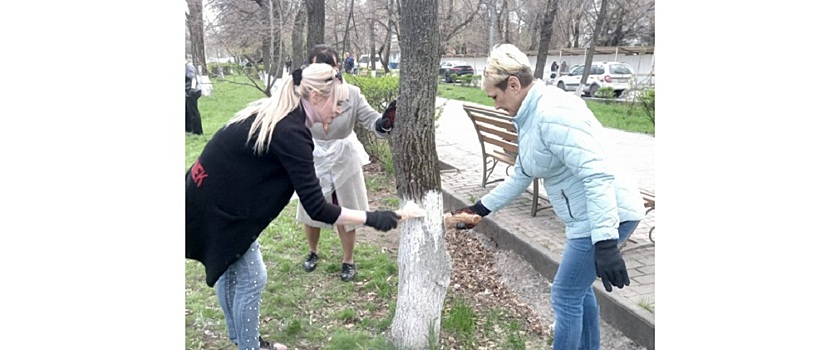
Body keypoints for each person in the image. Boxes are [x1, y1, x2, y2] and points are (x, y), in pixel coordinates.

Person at [186, 63, 401, 350]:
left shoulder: (278, 111)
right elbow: (318, 208)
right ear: (315, 97)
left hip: (201, 196)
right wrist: (373, 217)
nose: (339, 111)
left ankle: (241, 341)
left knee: (231, 268)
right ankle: (248, 347)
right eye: (337, 103)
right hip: (217, 209)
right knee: (252, 278)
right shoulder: (292, 132)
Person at [447, 44, 644, 350]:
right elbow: (522, 173)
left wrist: (605, 242)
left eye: (495, 97)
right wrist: (479, 209)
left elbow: (597, 175)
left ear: (513, 84)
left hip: (607, 213)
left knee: (565, 294)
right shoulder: (531, 115)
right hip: (587, 215)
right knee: (579, 292)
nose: (496, 105)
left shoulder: (551, 114)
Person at [295, 44, 397, 282]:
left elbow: (371, 118)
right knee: (312, 208)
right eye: (317, 65)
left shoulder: (351, 93)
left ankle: (348, 260)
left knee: (346, 210)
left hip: (344, 158)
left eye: (329, 64)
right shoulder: (303, 95)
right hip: (313, 156)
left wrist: (382, 124)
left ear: (337, 66)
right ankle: (312, 252)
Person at [186, 59, 203, 135]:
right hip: (187, 92)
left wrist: (192, 89)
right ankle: (188, 129)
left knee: (193, 112)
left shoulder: (189, 67)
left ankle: (197, 131)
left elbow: (193, 78)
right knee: (187, 111)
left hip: (192, 91)